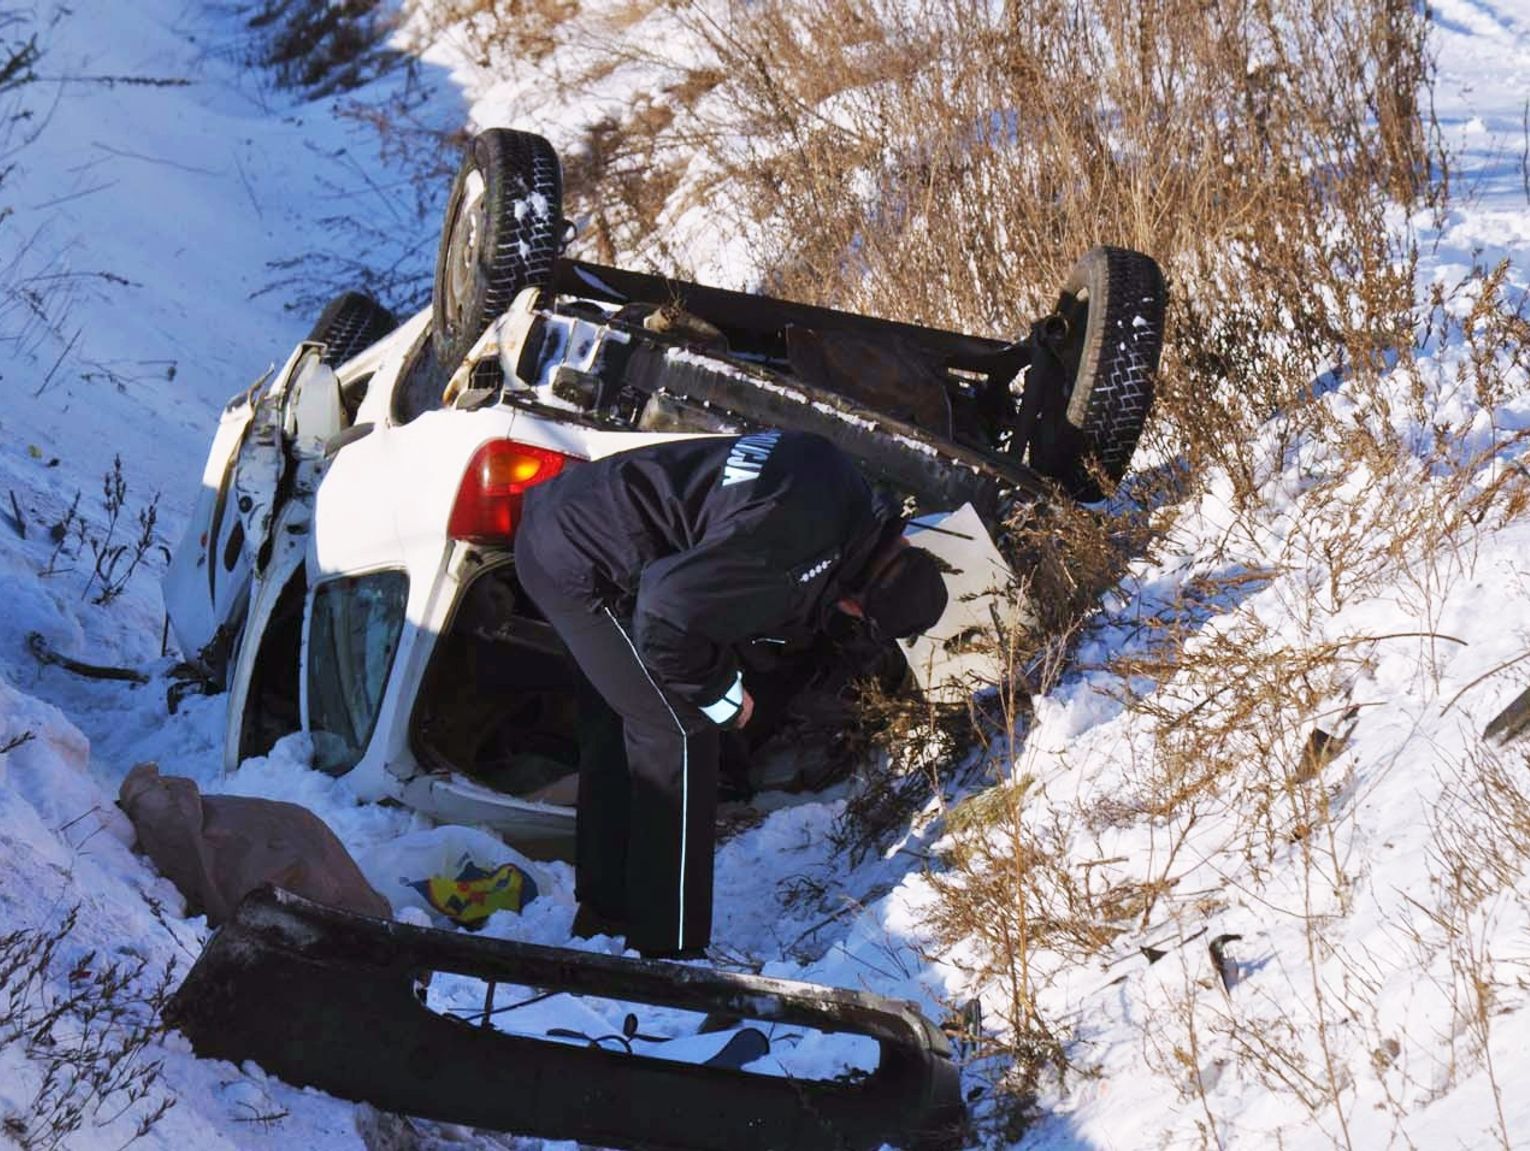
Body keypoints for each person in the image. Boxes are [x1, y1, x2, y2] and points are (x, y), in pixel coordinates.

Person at [514, 429, 948, 958]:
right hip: (583, 566)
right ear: (857, 607)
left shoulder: (841, 481)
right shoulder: (792, 560)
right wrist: (723, 695)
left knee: (623, 719)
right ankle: (669, 951)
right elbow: (665, 615)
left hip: (573, 516)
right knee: (679, 730)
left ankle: (604, 914)